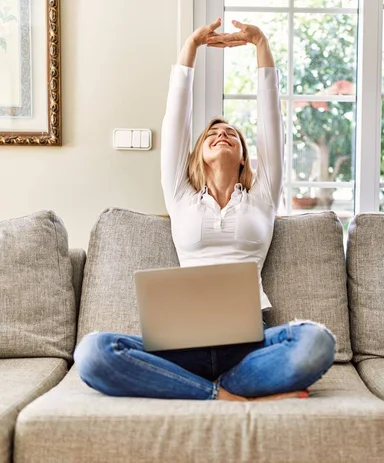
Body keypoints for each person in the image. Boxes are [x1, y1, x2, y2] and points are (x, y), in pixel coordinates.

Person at [74, 19, 336, 401]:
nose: (221, 134)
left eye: (231, 134)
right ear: (196, 154)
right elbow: (175, 120)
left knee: (316, 341)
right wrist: (190, 51)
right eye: (211, 134)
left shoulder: (262, 195)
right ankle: (222, 396)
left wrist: (261, 44)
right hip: (181, 349)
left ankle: (209, 391)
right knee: (93, 352)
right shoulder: (181, 197)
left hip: (248, 346)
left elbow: (271, 124)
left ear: (245, 157)